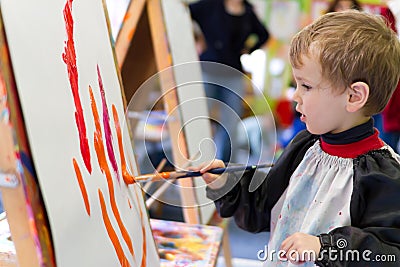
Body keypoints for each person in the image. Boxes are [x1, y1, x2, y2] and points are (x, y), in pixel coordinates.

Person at [192, 10, 400, 266]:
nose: (295, 96)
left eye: (307, 86)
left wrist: (325, 247)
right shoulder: (305, 147)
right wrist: (226, 185)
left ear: (354, 96)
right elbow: (263, 208)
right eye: (296, 84)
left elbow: (390, 254)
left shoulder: (382, 175)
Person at [189, 0, 269, 163]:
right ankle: (194, 159)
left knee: (230, 123)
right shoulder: (210, 5)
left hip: (233, 72)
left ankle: (221, 164)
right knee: (198, 118)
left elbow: (264, 35)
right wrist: (195, 40)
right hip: (208, 69)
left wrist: (248, 50)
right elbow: (184, 13)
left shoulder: (248, 11)